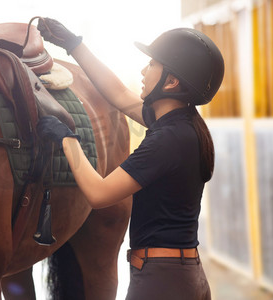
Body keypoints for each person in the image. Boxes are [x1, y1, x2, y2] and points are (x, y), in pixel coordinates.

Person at [36, 18, 224, 300]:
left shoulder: (167, 140)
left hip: (161, 283)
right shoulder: (182, 124)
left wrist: (67, 138)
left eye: (152, 65)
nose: (143, 70)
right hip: (181, 275)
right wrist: (74, 45)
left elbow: (99, 194)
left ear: (171, 82)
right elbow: (119, 95)